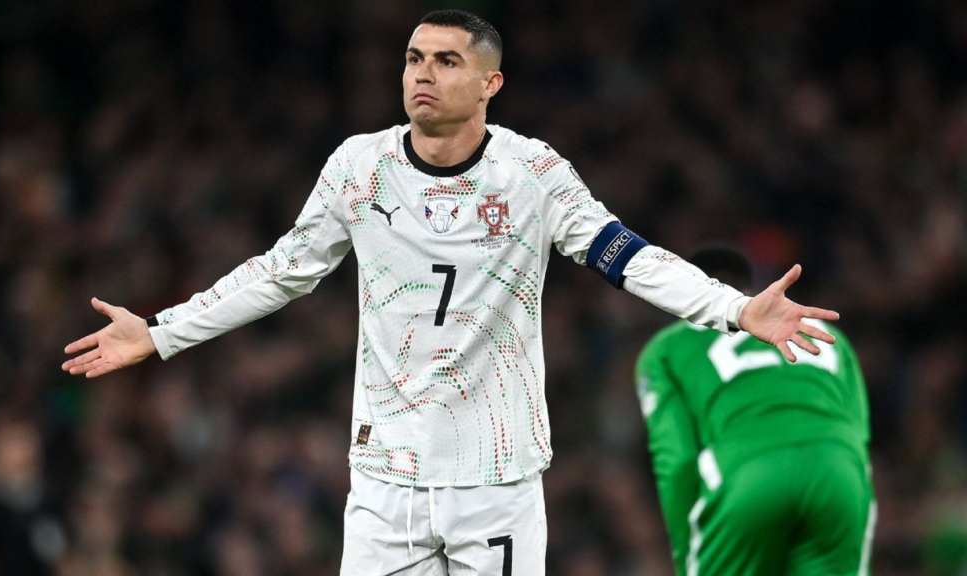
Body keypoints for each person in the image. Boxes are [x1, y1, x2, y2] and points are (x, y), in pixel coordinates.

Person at [63, 10, 839, 575]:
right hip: (385, 481)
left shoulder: (533, 174)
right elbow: (280, 270)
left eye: (444, 61)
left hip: (494, 483)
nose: (421, 74)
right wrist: (161, 331)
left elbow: (625, 255)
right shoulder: (359, 168)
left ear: (490, 81)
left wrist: (734, 307)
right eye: (412, 58)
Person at [635, 246, 874, 576]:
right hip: (838, 474)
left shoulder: (666, 349)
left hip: (746, 476)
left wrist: (687, 554)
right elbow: (859, 433)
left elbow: (676, 461)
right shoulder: (829, 335)